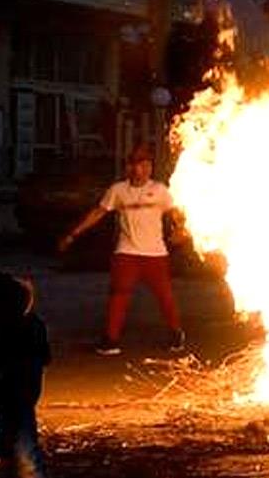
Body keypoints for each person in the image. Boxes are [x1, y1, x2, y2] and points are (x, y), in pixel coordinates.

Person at [58, 144, 186, 356]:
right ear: (130, 167)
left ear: (150, 167)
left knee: (165, 296)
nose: (141, 169)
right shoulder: (118, 191)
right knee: (119, 295)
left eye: (146, 165)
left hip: (155, 254)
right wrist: (73, 234)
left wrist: (181, 231)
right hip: (126, 253)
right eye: (137, 164)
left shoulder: (161, 191)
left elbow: (176, 213)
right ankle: (111, 340)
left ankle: (176, 333)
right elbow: (98, 213)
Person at [0, 273, 65, 478]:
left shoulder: (19, 330)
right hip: (20, 406)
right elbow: (41, 363)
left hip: (12, 404)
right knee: (31, 469)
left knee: (30, 470)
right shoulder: (33, 326)